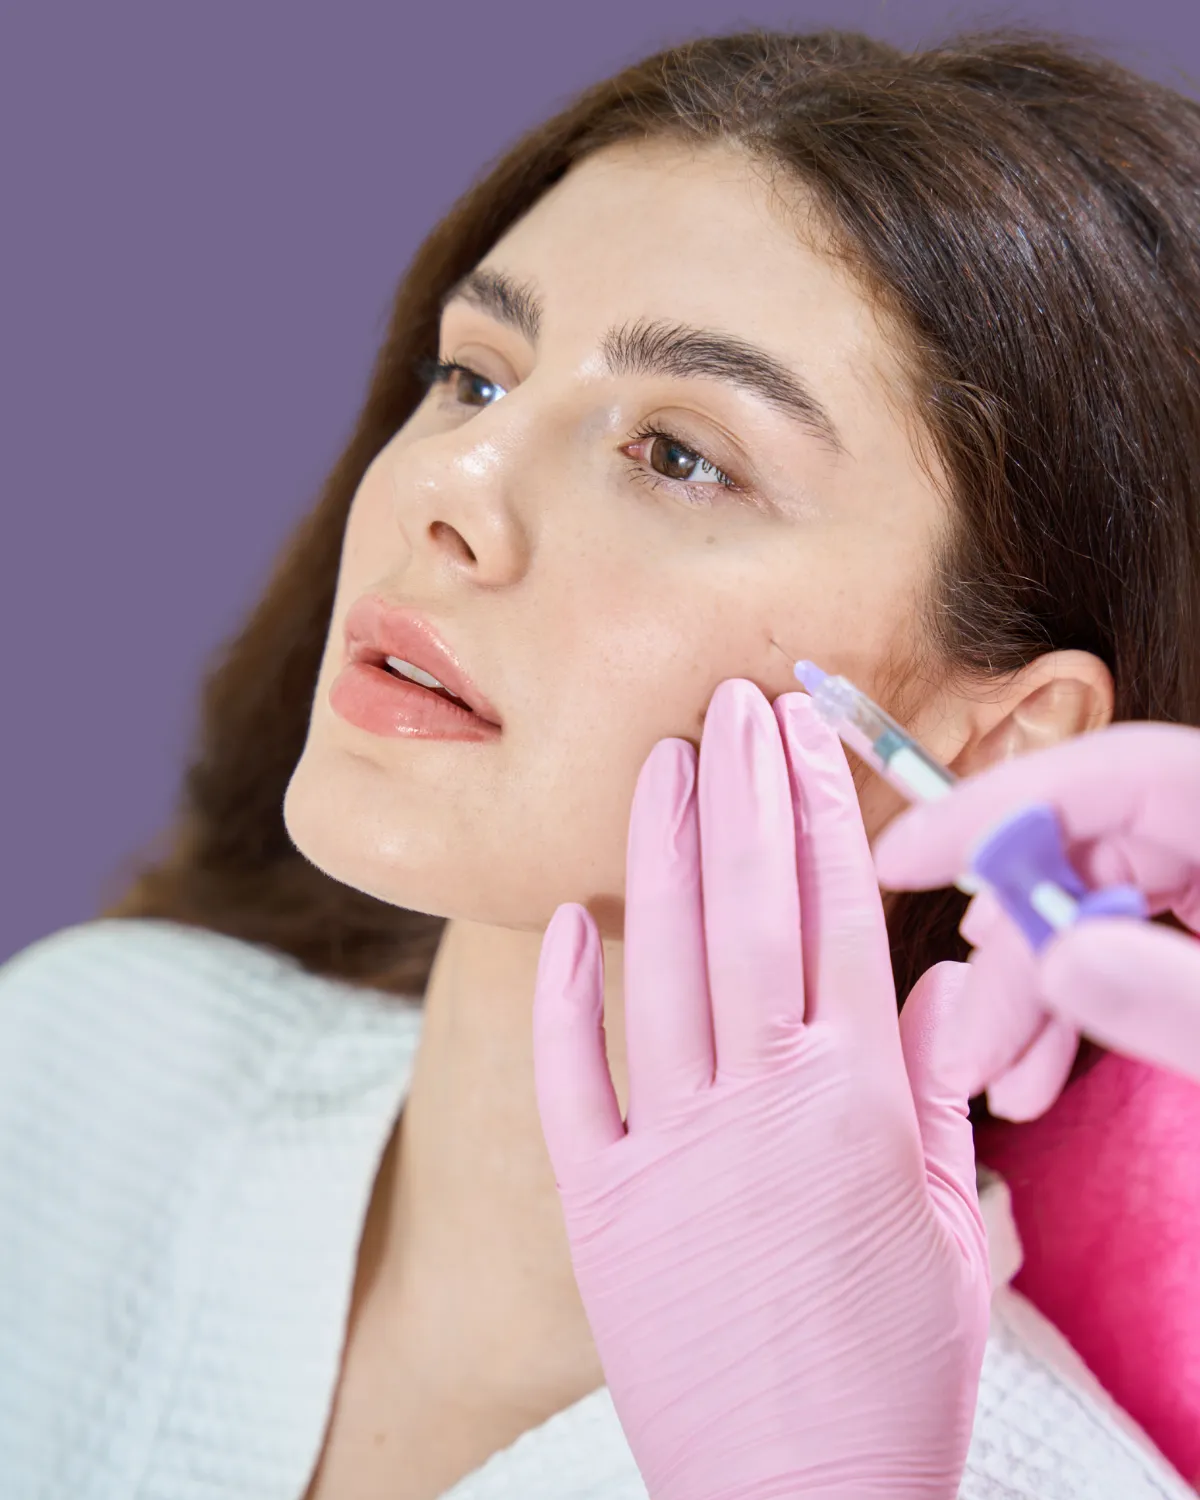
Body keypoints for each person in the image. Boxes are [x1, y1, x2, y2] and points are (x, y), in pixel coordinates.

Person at [1, 22, 1198, 1499]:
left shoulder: (1000, 1477)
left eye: (680, 455)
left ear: (1005, 746)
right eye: (476, 379)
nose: (450, 488)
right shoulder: (78, 1070)